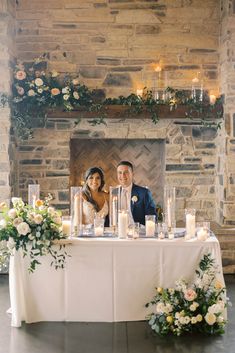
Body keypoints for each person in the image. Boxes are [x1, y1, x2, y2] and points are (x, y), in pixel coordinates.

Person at [116, 161, 157, 225]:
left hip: (138, 231)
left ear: (132, 174)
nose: (122, 175)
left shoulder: (144, 193)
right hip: (118, 231)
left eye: (126, 172)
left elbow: (152, 217)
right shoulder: (113, 193)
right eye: (120, 173)